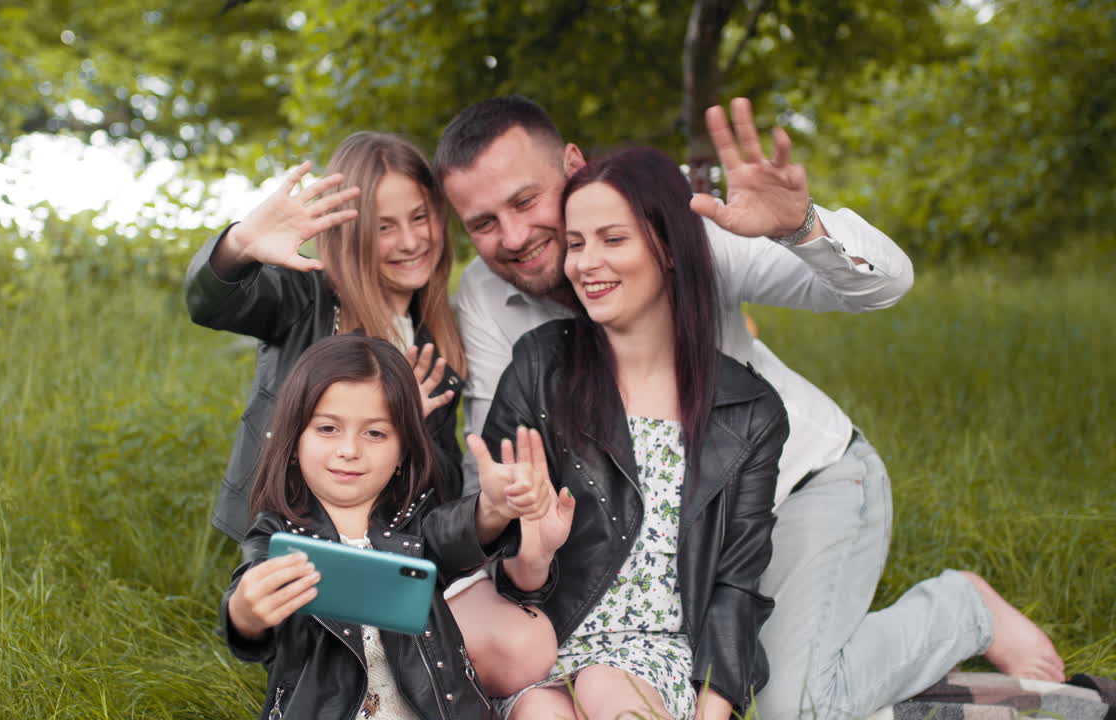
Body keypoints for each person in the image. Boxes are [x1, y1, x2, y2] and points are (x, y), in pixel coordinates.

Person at [436, 96, 1065, 719]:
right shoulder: (490, 299)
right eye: (483, 223)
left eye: (525, 201)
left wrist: (799, 226)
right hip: (658, 541)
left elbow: (883, 286)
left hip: (801, 483)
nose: (514, 237)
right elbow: (498, 464)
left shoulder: (691, 230)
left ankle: (960, 610)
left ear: (574, 165)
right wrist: (506, 545)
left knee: (791, 704)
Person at [470, 146, 787, 720]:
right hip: (543, 644)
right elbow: (508, 582)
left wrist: (711, 713)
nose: (586, 263)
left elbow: (736, 589)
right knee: (540, 714)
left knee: (606, 687)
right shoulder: (540, 368)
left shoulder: (749, 410)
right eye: (575, 243)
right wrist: (520, 545)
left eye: (613, 240)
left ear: (669, 246)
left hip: (660, 655)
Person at [221, 334, 550, 720]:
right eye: (328, 429)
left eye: (375, 433)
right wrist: (245, 613)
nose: (349, 450)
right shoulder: (279, 534)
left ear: (402, 451)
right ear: (294, 440)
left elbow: (455, 533)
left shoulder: (411, 523)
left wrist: (493, 509)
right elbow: (250, 594)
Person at [185, 132, 467, 545]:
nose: (410, 242)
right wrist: (240, 244)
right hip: (284, 534)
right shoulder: (305, 295)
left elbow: (445, 488)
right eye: (384, 227)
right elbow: (211, 304)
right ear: (349, 230)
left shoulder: (436, 337)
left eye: (420, 217)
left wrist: (411, 429)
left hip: (381, 547)